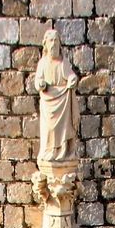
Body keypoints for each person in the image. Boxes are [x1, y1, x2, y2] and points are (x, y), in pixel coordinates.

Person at [34, 28, 79, 163]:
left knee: (63, 129)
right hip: (48, 102)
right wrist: (40, 84)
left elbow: (71, 76)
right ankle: (49, 152)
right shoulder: (42, 63)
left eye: (56, 40)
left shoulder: (63, 62)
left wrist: (72, 80)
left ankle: (63, 152)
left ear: (59, 43)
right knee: (49, 130)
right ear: (46, 44)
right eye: (51, 41)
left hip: (63, 101)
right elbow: (37, 81)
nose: (53, 43)